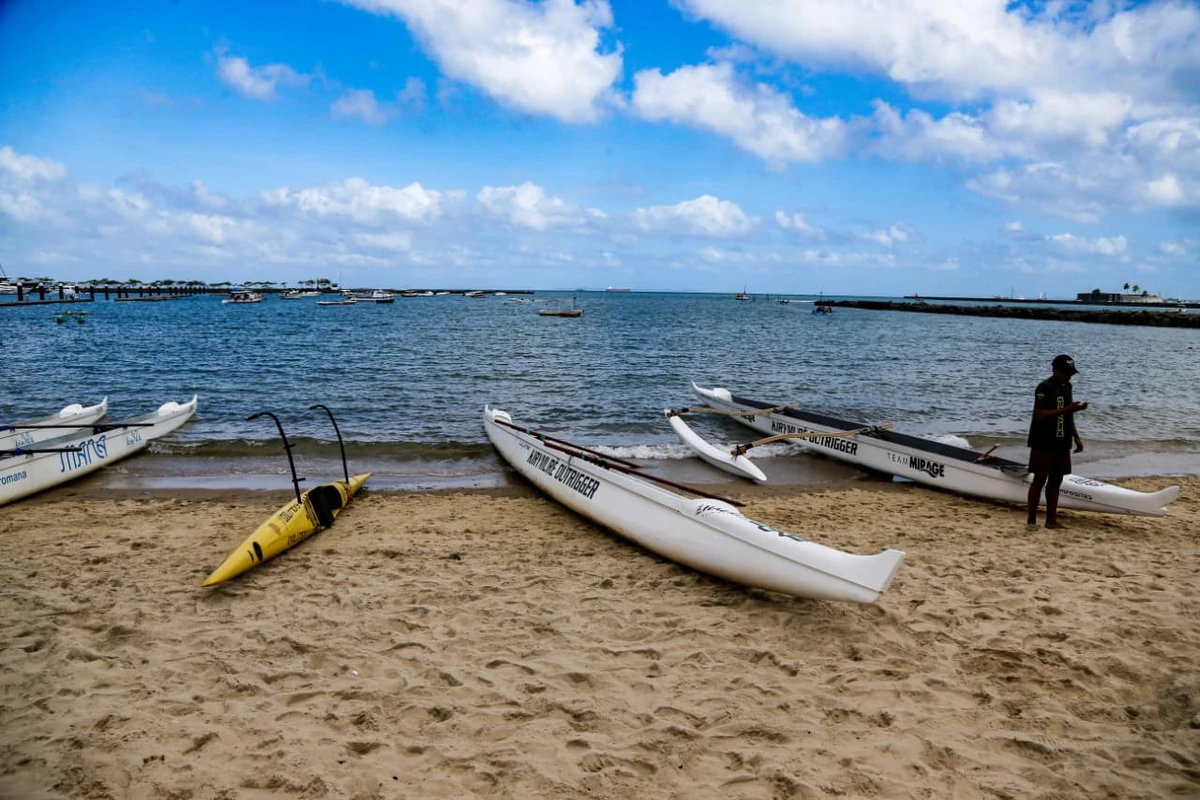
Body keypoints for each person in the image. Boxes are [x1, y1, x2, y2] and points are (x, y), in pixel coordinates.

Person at [1026, 354, 1088, 528]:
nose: (1069, 377)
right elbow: (1039, 414)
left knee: (1056, 481)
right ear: (1055, 370)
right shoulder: (1044, 387)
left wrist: (1076, 437)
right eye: (1066, 373)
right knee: (1039, 480)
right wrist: (1066, 409)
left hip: (1062, 441)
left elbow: (1068, 414)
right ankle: (1031, 520)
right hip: (1043, 441)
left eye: (1071, 374)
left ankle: (1050, 520)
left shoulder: (1067, 386)